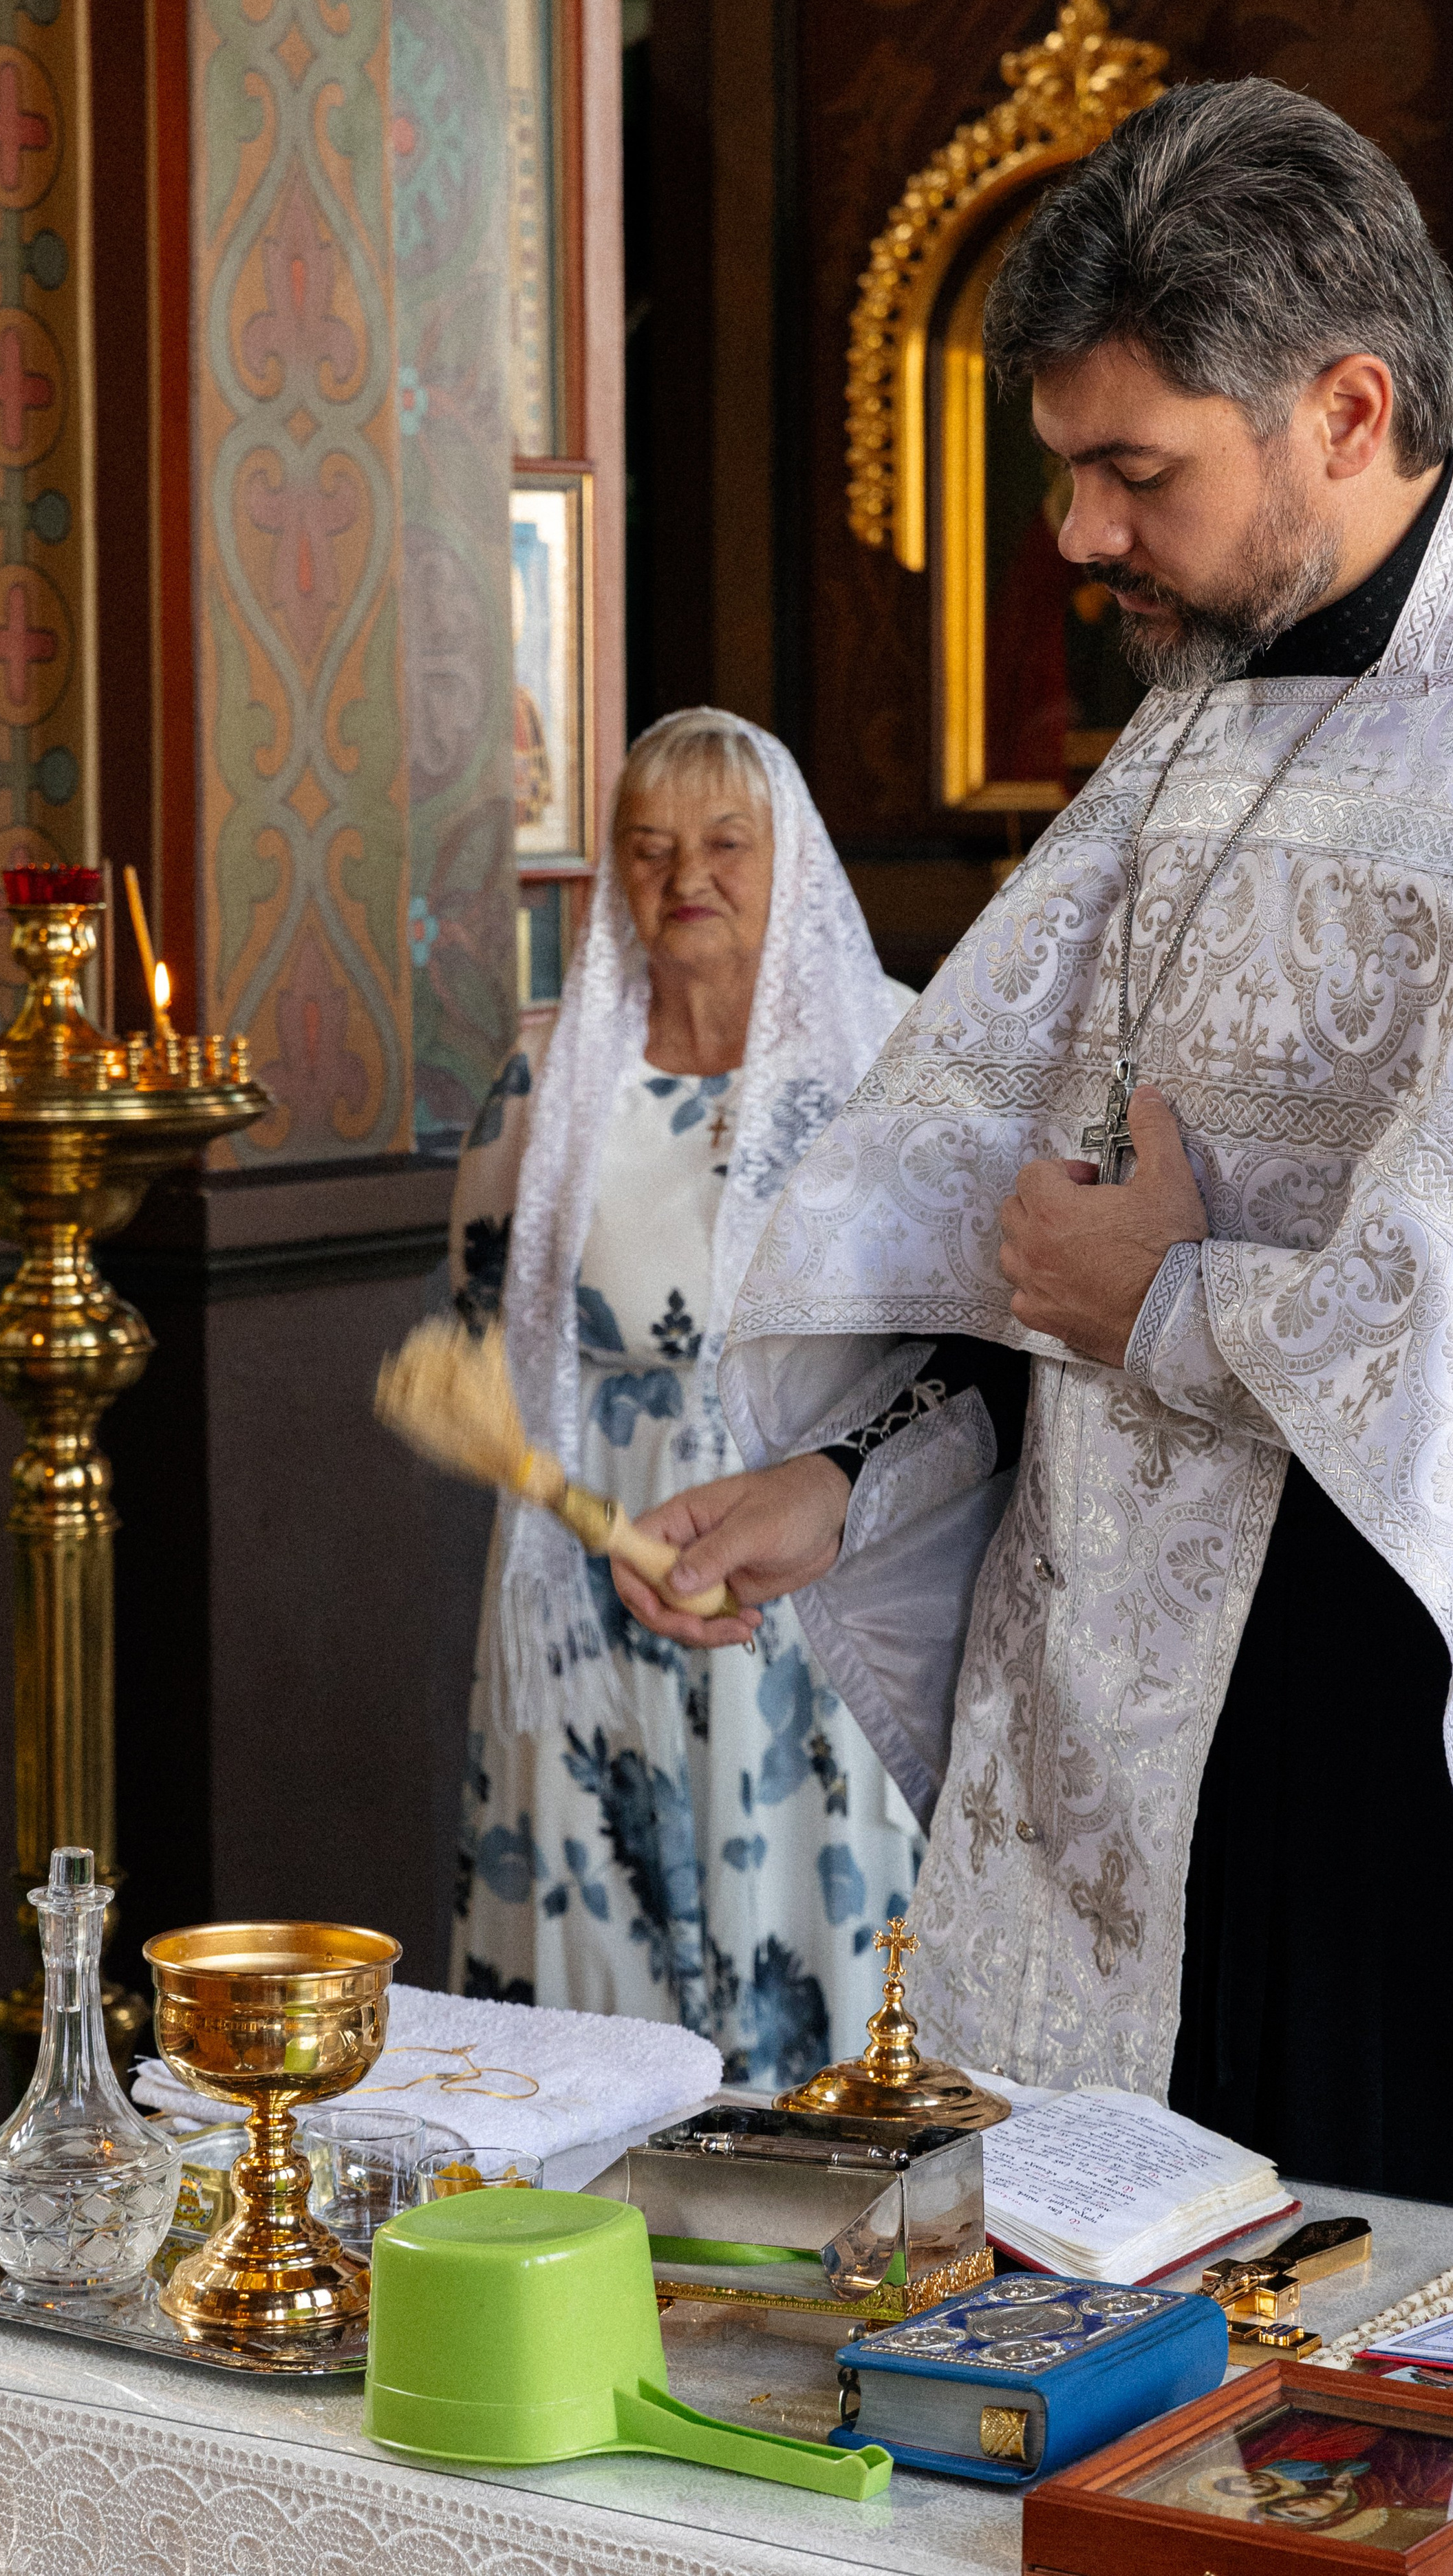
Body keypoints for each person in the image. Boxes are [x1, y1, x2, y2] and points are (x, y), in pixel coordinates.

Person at [609, 81, 1453, 2240]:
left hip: (1417, 1778)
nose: (1083, 538)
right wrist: (852, 1484)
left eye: (1137, 473)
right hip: (1131, 1766)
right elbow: (1048, 1231)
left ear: (1347, 408)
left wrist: (1179, 1303)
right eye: (1069, 473)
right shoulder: (1202, 714)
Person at [448, 709, 921, 2085]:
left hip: (816, 1555)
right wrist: (575, 1510)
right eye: (646, 848)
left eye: (726, 844)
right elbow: (483, 1346)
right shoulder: (545, 1085)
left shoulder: (889, 1058)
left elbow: (948, 1351)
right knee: (592, 1965)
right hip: (587, 1562)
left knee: (817, 1939)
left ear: (796, 862)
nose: (684, 877)